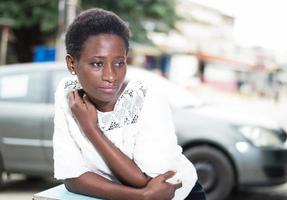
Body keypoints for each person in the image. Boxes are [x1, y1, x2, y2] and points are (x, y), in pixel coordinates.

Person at [53, 8, 206, 200]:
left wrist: (91, 128)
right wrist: (141, 197)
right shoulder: (67, 93)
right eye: (97, 64)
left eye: (119, 63)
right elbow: (72, 177)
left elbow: (148, 181)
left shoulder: (148, 98)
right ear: (71, 64)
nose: (110, 76)